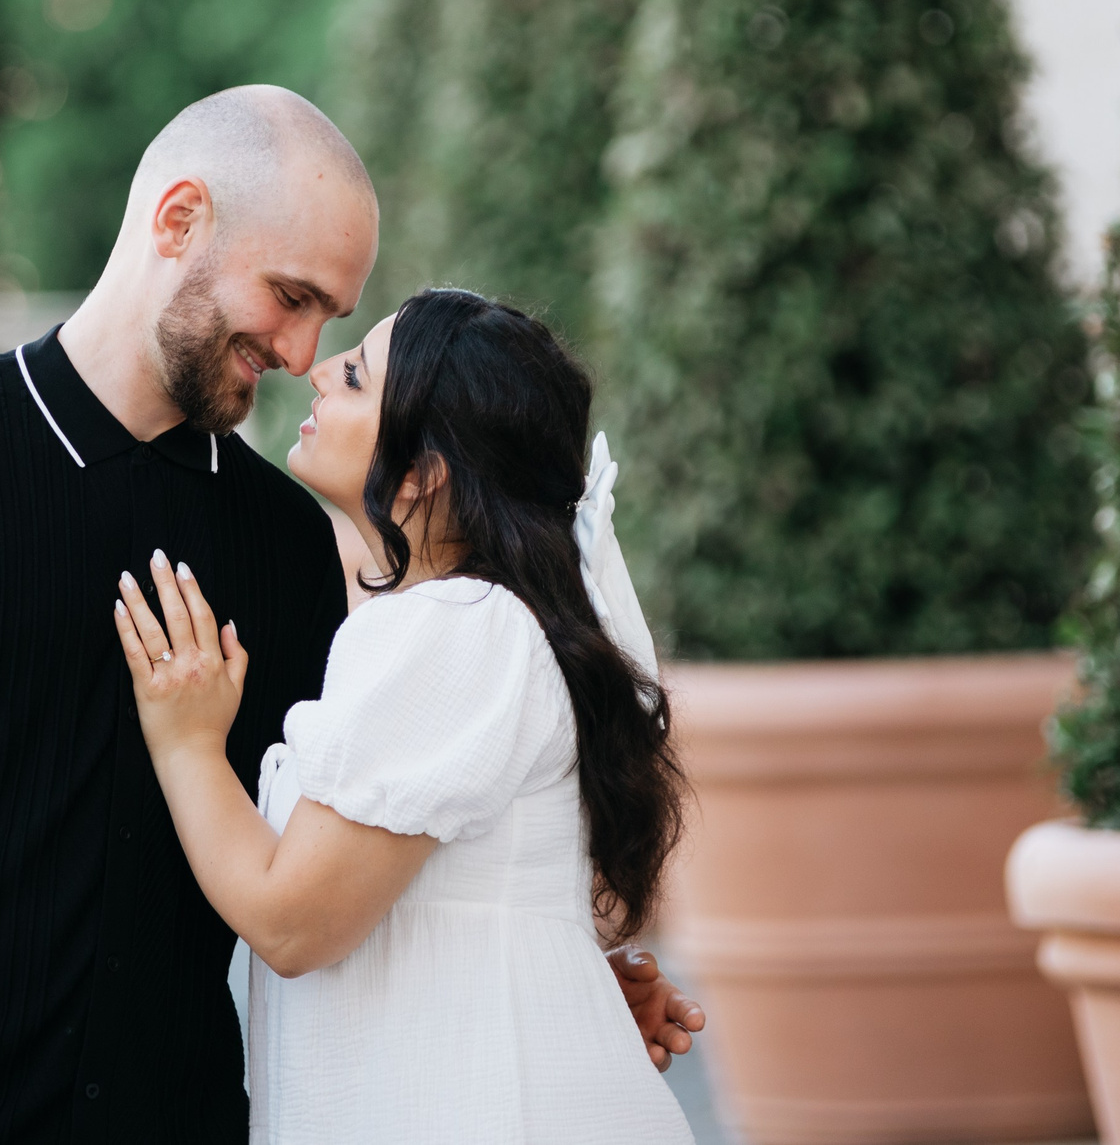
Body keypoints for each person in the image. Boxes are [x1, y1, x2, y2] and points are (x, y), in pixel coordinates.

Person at [0, 87, 702, 1144]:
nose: (298, 355)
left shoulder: (294, 546)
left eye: (331, 321)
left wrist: (549, 990)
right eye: (290, 296)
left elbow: (350, 844)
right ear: (179, 219)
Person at [112, 287, 695, 1145]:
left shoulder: (454, 629)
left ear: (422, 473)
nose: (312, 376)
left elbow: (292, 920)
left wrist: (187, 743)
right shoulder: (479, 626)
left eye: (353, 377)